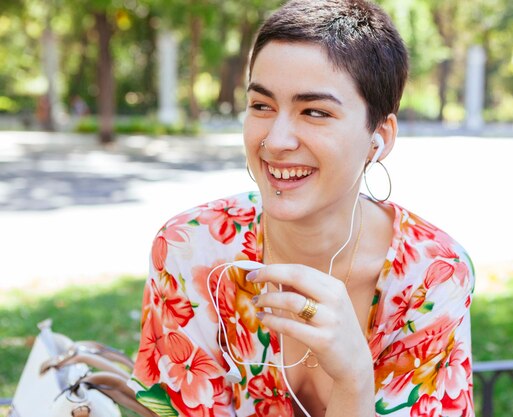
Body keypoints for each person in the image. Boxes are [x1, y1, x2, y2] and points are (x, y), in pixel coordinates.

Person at [128, 1, 475, 416]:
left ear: (379, 137)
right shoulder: (193, 249)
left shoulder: (432, 277)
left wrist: (354, 380)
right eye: (261, 106)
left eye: (315, 111)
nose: (276, 140)